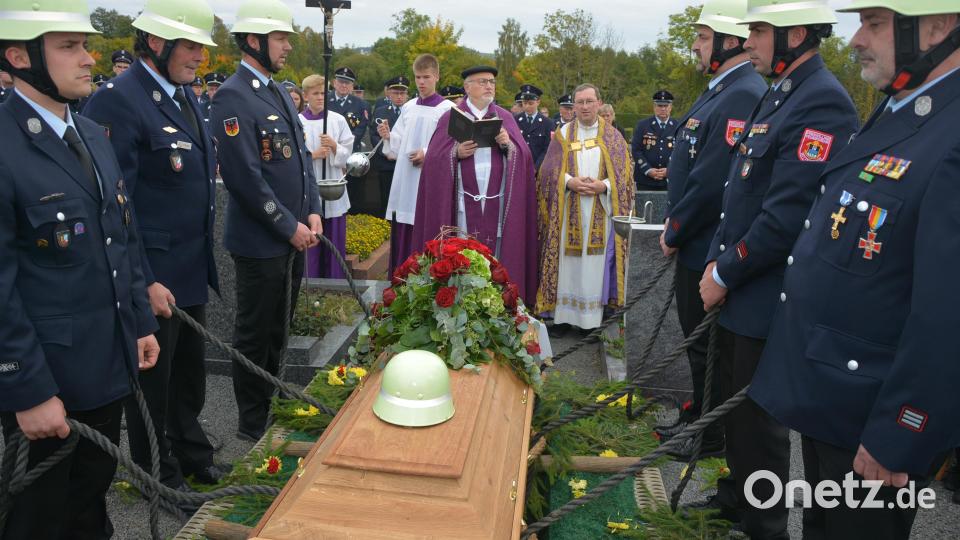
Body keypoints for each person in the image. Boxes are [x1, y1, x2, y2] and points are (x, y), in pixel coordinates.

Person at [749, 1, 960, 537]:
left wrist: (901, 431)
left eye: (875, 22)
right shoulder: (907, 109)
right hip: (834, 398)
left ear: (937, 26)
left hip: (874, 417)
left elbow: (947, 315)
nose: (855, 39)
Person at [697, 1, 860, 537]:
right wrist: (719, 265)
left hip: (767, 291)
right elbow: (740, 193)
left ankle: (764, 526)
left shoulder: (823, 101)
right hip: (744, 285)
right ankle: (738, 500)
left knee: (757, 417)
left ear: (797, 34)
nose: (749, 42)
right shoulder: (783, 90)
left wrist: (725, 271)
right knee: (733, 410)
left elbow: (786, 215)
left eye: (761, 31)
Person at [0, 1, 160, 537]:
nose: (89, 59)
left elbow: (123, 235)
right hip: (49, 378)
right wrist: (26, 392)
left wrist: (139, 320)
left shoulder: (91, 134)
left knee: (91, 500)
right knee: (39, 514)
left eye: (85, 45)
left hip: (105, 360)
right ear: (19, 56)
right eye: (69, 47)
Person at [82, 0, 225, 499]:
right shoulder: (118, 100)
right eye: (190, 47)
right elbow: (114, 205)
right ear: (158, 44)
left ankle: (192, 454)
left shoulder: (183, 95)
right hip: (153, 274)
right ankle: (156, 478)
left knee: (188, 378)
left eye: (202, 48)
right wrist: (143, 280)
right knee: (152, 389)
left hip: (187, 267)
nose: (200, 58)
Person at [653, 0, 767, 519]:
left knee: (707, 346)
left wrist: (676, 229)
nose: (695, 45)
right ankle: (699, 418)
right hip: (698, 240)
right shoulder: (722, 89)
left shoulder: (743, 91)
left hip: (705, 244)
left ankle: (710, 434)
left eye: (702, 37)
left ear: (728, 41)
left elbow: (711, 178)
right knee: (697, 343)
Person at [210, 0, 322, 442]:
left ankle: (273, 398)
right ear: (254, 41)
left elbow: (300, 161)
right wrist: (287, 225)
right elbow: (244, 179)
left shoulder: (275, 91)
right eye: (280, 38)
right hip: (263, 240)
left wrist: (312, 207)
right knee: (256, 333)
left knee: (281, 326)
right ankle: (252, 420)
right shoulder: (233, 96)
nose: (288, 46)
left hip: (293, 233)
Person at [413, 65, 539, 305]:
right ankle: (461, 300)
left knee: (497, 249)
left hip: (496, 200)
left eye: (491, 81)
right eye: (482, 81)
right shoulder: (451, 117)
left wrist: (507, 145)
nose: (489, 86)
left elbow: (524, 157)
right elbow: (434, 160)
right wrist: (455, 153)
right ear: (467, 87)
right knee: (460, 247)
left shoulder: (505, 117)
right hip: (462, 202)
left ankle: (496, 302)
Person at [535, 84, 634, 331]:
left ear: (599, 103)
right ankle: (562, 318)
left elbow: (625, 176)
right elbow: (547, 173)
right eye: (580, 102)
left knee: (595, 264)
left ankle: (591, 320)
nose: (585, 106)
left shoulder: (613, 137)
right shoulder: (562, 134)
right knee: (567, 264)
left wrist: (605, 186)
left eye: (590, 101)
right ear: (574, 105)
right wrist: (569, 182)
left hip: (601, 209)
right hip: (568, 209)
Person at [379, 54, 455, 275]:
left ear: (436, 77)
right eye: (418, 77)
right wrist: (388, 137)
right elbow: (398, 143)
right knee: (404, 223)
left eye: (426, 77)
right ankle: (401, 276)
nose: (421, 82)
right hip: (405, 179)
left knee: (425, 223)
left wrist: (428, 154)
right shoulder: (409, 106)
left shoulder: (447, 109)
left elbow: (451, 145)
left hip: (429, 179)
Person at [300, 74, 353, 278]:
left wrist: (334, 147)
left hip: (333, 190)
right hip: (310, 189)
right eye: (315, 93)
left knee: (334, 243)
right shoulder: (299, 121)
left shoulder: (337, 120)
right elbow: (294, 155)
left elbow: (348, 152)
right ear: (305, 96)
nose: (320, 97)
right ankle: (311, 282)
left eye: (323, 93)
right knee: (312, 241)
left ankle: (335, 282)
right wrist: (312, 156)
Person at [370, 75, 408, 216]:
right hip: (386, 164)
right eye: (395, 93)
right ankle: (387, 227)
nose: (399, 96)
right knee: (386, 196)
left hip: (405, 162)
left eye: (402, 93)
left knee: (405, 198)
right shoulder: (381, 111)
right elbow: (374, 134)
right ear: (389, 94)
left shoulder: (410, 112)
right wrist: (386, 153)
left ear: (407, 95)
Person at [631, 90, 676, 191]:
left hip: (669, 180)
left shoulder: (678, 126)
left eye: (666, 106)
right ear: (654, 107)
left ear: (671, 107)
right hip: (645, 179)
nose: (663, 109)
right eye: (660, 106)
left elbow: (679, 152)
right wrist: (648, 169)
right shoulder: (642, 125)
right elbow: (636, 150)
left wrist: (670, 170)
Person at [327, 66, 368, 153]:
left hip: (351, 150)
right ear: (334, 83)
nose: (344, 85)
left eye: (347, 83)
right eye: (341, 82)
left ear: (352, 86)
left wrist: (345, 145)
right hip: (328, 148)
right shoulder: (324, 101)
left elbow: (361, 128)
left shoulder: (360, 104)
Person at [515, 83, 552, 169]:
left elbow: (547, 149)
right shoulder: (515, 120)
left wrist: (536, 167)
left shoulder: (547, 123)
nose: (527, 106)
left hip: (539, 169)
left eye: (531, 103)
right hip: (519, 168)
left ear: (538, 102)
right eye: (524, 103)